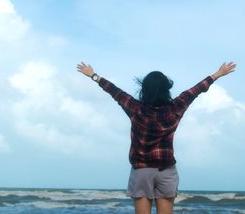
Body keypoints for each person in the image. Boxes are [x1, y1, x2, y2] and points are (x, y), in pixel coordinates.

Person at [77, 61, 236, 214]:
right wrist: (218, 74)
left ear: (144, 89)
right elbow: (195, 90)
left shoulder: (135, 108)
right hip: (166, 170)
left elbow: (115, 91)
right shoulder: (175, 108)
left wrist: (94, 76)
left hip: (141, 170)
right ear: (166, 89)